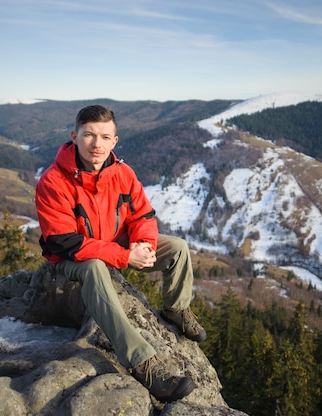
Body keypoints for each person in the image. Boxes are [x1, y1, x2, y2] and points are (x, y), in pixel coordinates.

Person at [35, 105, 206, 402]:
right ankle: (142, 362)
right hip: (71, 257)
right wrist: (124, 256)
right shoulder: (53, 181)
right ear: (74, 136)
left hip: (113, 241)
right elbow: (63, 242)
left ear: (115, 141)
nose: (96, 144)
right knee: (95, 269)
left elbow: (143, 216)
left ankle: (175, 308)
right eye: (89, 135)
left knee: (176, 247)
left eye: (104, 136)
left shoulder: (122, 173)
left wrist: (145, 246)